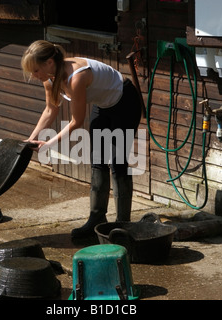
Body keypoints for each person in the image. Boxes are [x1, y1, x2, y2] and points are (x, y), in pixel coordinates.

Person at [21, 40, 142, 239]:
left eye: (35, 71)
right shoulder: (48, 78)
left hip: (125, 102)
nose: (34, 76)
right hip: (103, 105)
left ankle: (123, 225)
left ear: (50, 62)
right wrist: (31, 139)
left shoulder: (76, 77)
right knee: (98, 161)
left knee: (118, 161)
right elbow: (51, 110)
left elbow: (77, 121)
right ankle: (97, 218)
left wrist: (49, 144)